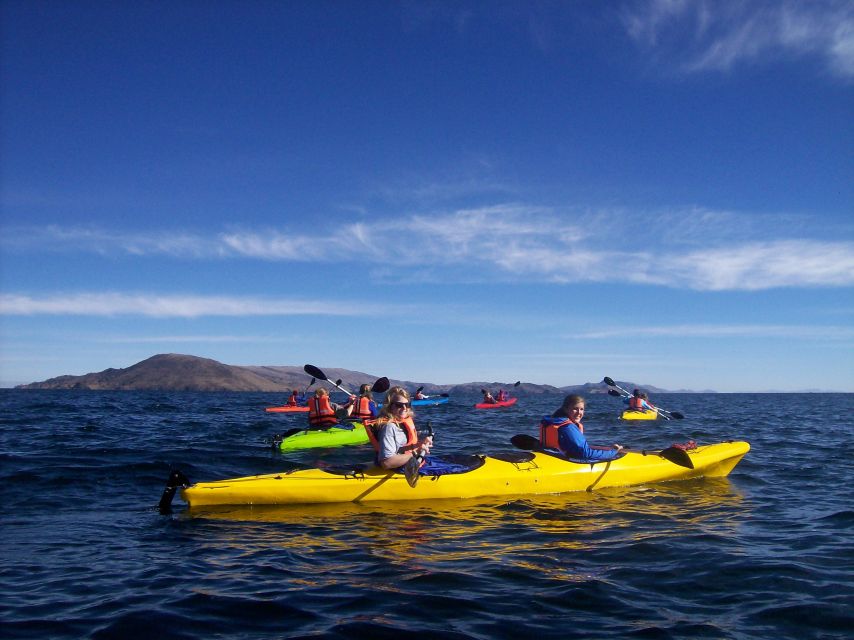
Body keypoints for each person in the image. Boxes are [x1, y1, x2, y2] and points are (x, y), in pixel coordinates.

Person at [539, 395, 624, 462]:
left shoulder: (552, 421)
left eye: (582, 409)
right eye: (575, 409)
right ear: (565, 409)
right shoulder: (568, 427)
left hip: (550, 458)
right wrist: (613, 452)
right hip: (562, 462)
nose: (579, 413)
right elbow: (586, 453)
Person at [366, 387, 432, 470]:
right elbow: (386, 462)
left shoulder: (401, 422)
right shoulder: (389, 428)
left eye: (407, 405)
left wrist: (419, 445)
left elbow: (398, 449)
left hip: (409, 466)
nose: (404, 408)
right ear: (389, 406)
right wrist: (416, 452)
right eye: (399, 405)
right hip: (398, 471)